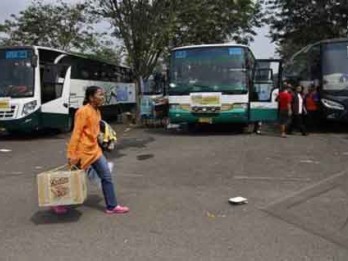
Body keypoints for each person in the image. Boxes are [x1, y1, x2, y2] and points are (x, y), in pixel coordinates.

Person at [65, 86, 129, 215]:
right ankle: (58, 203)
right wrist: (72, 154)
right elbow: (76, 134)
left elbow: (96, 132)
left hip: (95, 151)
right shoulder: (82, 112)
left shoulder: (97, 111)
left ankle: (112, 206)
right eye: (100, 95)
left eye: (103, 95)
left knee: (106, 176)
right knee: (73, 180)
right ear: (91, 97)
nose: (102, 97)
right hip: (82, 153)